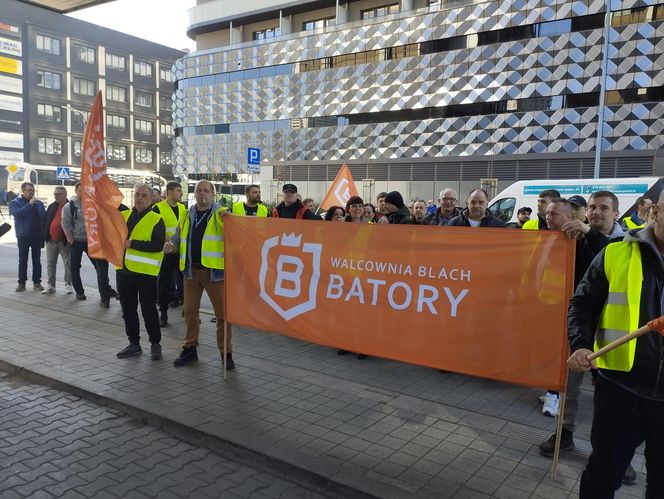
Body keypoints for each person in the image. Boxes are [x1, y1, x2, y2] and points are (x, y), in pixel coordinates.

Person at [567, 190, 664, 498]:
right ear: (655, 213)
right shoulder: (616, 253)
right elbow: (582, 304)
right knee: (603, 476)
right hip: (622, 388)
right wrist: (580, 344)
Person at [167, 180, 235, 370]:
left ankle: (226, 354)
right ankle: (190, 348)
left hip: (215, 273)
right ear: (194, 194)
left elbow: (235, 238)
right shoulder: (187, 214)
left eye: (206, 190)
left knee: (223, 316)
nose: (202, 193)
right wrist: (171, 245)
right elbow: (177, 236)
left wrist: (230, 221)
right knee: (189, 313)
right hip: (191, 271)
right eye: (198, 190)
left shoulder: (222, 215)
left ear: (213, 194)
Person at [115, 184, 166, 360]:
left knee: (148, 310)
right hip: (124, 271)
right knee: (128, 310)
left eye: (144, 195)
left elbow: (158, 245)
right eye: (137, 194)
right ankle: (134, 344)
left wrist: (132, 243)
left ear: (151, 198)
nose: (140, 198)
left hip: (146, 273)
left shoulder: (156, 219)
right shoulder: (123, 215)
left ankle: (155, 344)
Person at [61, 182, 118, 307]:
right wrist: (70, 239)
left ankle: (105, 292)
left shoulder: (95, 204)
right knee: (75, 267)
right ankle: (79, 292)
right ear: (76, 191)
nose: (84, 193)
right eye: (81, 190)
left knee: (101, 269)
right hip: (76, 241)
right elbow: (65, 224)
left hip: (93, 242)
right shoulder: (69, 206)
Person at [153, 181, 187, 327]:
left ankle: (188, 312)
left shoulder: (182, 207)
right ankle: (163, 314)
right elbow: (155, 230)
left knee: (186, 283)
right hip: (166, 253)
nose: (181, 193)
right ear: (170, 192)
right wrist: (170, 243)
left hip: (181, 252)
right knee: (164, 284)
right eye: (178, 190)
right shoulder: (158, 208)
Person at [9, 182, 46, 292]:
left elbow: (43, 218)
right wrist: (29, 205)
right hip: (23, 235)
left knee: (37, 260)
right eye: (29, 190)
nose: (31, 192)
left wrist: (43, 233)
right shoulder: (15, 202)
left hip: (37, 235)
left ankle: (37, 282)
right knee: (23, 259)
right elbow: (17, 214)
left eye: (33, 190)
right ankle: (21, 283)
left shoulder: (38, 203)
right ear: (23, 191)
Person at [41, 186, 73, 295]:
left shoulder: (70, 206)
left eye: (58, 194)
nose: (56, 196)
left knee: (68, 264)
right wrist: (45, 236)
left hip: (64, 241)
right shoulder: (52, 206)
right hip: (51, 240)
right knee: (50, 264)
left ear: (65, 195)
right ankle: (51, 286)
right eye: (55, 194)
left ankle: (68, 285)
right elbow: (46, 221)